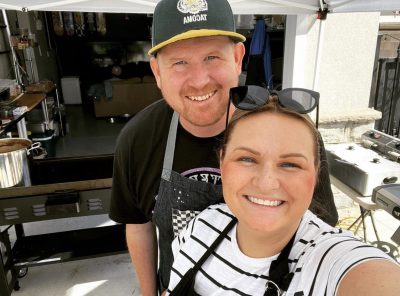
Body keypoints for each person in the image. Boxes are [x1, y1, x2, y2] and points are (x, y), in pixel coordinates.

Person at [109, 0, 338, 294]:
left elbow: (324, 236)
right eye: (179, 62)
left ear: (238, 58)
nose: (200, 80)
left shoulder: (289, 132)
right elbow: (138, 225)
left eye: (212, 57)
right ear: (157, 71)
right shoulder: (137, 140)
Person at [166, 88, 400, 295]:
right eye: (247, 158)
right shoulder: (202, 226)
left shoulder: (329, 261)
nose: (267, 183)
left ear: (316, 174)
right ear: (223, 163)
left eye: (291, 164)